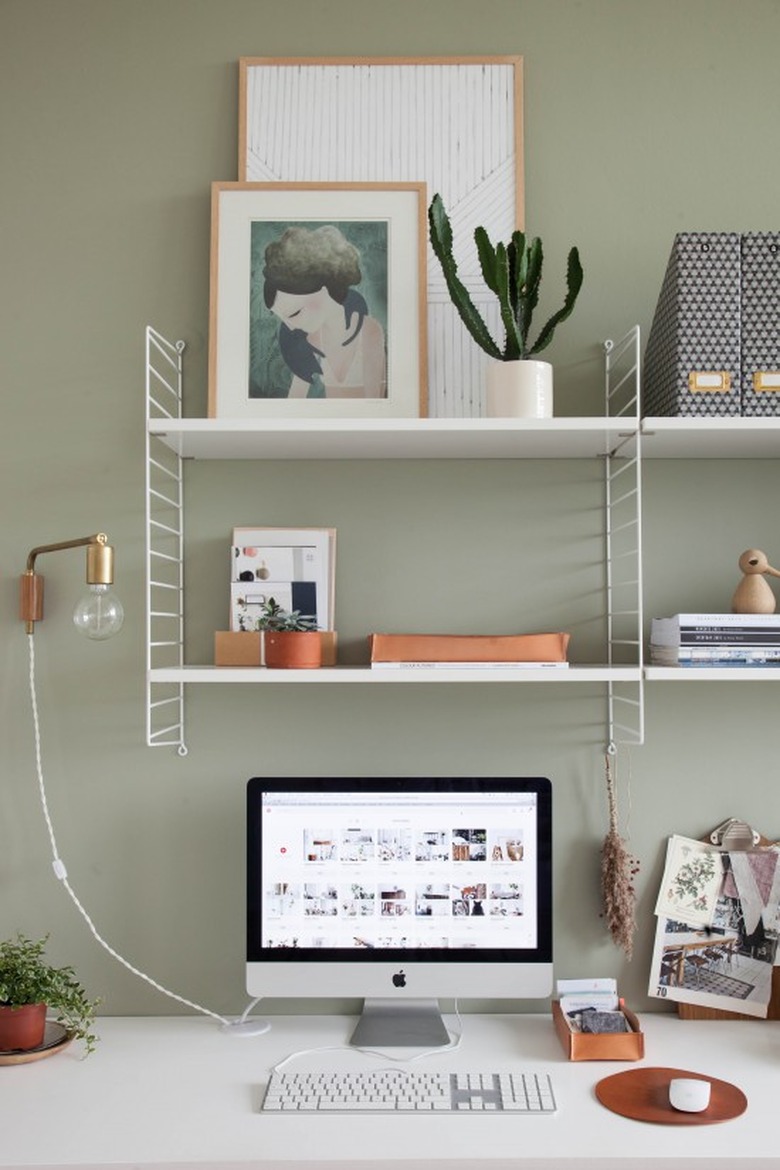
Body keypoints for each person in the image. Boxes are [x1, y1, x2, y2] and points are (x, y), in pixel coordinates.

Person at [263, 224, 387, 399]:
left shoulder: (369, 331)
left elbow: (376, 401)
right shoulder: (313, 338)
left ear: (324, 290)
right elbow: (295, 397)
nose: (291, 328)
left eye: (295, 314)